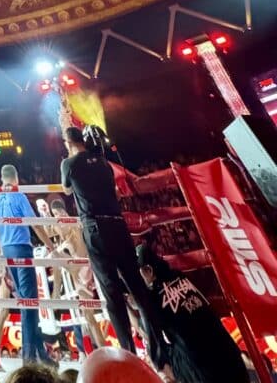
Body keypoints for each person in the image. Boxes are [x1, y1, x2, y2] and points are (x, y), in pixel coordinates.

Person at [61, 128, 169, 373]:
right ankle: (160, 353)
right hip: (118, 225)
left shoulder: (69, 163)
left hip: (96, 228)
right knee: (138, 289)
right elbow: (113, 189)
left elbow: (66, 189)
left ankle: (127, 356)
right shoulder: (104, 164)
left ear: (68, 142)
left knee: (112, 295)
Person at [136, 244, 249, 383]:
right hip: (233, 361)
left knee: (159, 355)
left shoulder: (151, 297)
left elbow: (144, 330)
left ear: (148, 270)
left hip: (204, 373)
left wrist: (134, 303)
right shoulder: (179, 275)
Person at [0, 164, 54, 368]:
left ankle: (41, 354)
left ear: (2, 178)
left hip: (6, 251)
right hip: (20, 249)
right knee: (29, 304)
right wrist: (49, 244)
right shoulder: (18, 195)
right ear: (15, 178)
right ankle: (29, 359)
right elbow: (34, 223)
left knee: (27, 303)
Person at [49, 197, 104, 353]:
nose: (56, 216)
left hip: (83, 265)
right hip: (81, 270)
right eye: (54, 214)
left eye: (56, 213)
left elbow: (53, 230)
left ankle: (55, 293)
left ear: (62, 211)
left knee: (55, 254)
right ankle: (98, 350)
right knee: (87, 315)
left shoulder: (68, 222)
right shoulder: (68, 224)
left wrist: (44, 214)